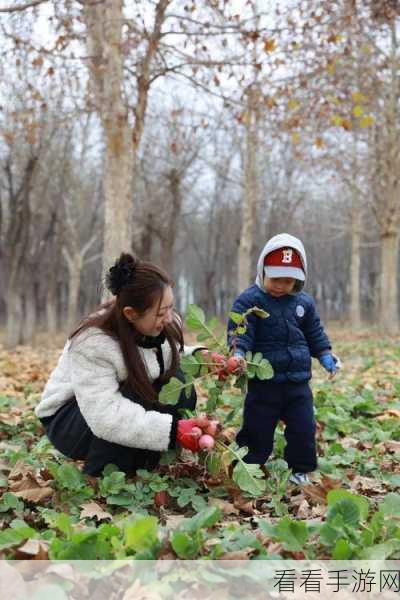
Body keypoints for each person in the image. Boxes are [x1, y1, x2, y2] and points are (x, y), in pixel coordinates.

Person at [36, 253, 206, 476]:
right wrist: (173, 431)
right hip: (71, 418)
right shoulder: (93, 343)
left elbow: (160, 356)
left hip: (108, 405)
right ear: (131, 314)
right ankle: (104, 473)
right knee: (139, 393)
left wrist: (204, 358)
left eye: (171, 307)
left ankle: (142, 462)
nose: (169, 318)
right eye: (161, 313)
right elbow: (105, 415)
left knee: (178, 386)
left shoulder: (158, 323)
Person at [227, 233, 339, 485]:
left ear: (298, 280)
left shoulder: (304, 303)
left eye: (288, 281)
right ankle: (248, 467)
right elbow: (240, 333)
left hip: (297, 383)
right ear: (262, 270)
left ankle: (300, 469)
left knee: (303, 429)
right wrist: (238, 354)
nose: (280, 286)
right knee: (257, 428)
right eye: (275, 279)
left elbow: (314, 333)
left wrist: (325, 355)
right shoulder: (250, 301)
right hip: (264, 382)